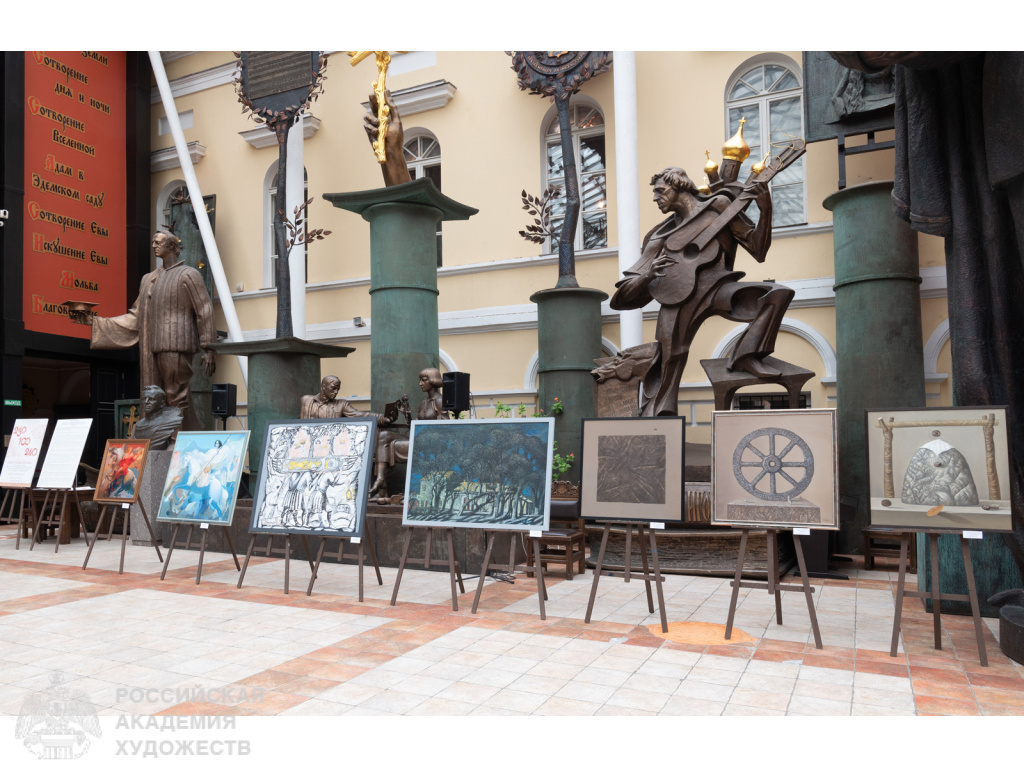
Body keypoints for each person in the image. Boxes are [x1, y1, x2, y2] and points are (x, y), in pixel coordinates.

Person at [610, 167, 793, 417]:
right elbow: (622, 298)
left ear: (680, 187)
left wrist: (765, 209)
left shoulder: (720, 207)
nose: (655, 198)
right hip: (678, 299)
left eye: (660, 191)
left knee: (777, 294)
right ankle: (659, 419)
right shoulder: (658, 236)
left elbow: (758, 250)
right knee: (670, 360)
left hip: (718, 289)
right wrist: (647, 275)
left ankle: (745, 355)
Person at [86, 232, 216, 431]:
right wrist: (97, 323)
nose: (154, 245)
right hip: (152, 343)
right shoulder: (149, 279)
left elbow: (204, 309)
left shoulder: (188, 274)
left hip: (176, 342)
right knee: (152, 395)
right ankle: (160, 436)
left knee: (175, 393)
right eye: (153, 241)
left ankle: (176, 438)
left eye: (159, 242)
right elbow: (136, 317)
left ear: (172, 246)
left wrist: (208, 347)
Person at [132, 385, 183, 450]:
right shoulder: (138, 425)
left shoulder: (172, 422)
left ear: (162, 403)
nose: (146, 402)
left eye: (151, 399)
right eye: (144, 399)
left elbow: (174, 444)